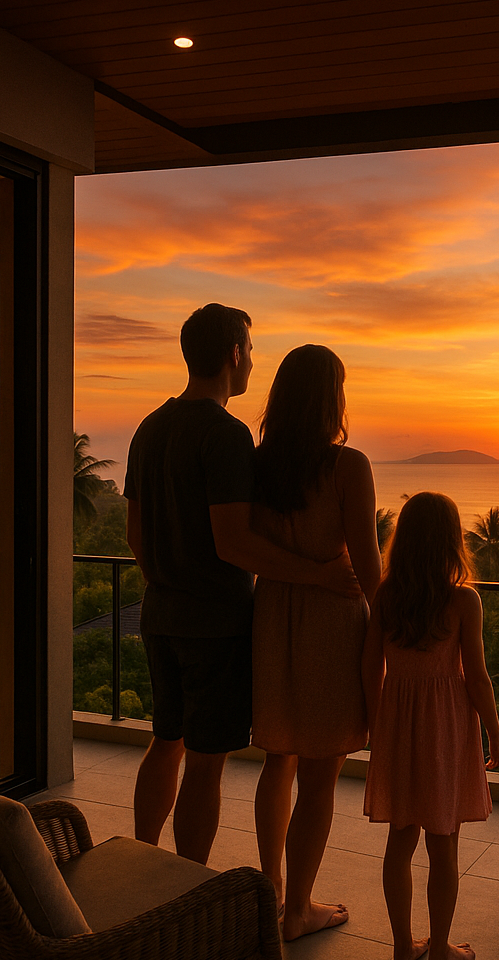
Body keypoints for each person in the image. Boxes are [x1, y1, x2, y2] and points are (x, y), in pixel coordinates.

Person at [125, 305, 359, 866]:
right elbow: (234, 543)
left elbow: (135, 534)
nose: (252, 360)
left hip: (160, 612)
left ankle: (140, 860)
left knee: (166, 740)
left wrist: (170, 575)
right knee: (205, 761)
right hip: (214, 623)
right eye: (250, 349)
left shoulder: (150, 428)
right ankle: (184, 883)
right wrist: (319, 573)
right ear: (233, 353)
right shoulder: (225, 436)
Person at [250, 344, 381, 941]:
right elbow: (368, 565)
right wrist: (397, 635)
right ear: (334, 397)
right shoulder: (347, 466)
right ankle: (298, 907)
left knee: (279, 756)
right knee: (321, 774)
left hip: (275, 613)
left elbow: (248, 544)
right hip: (331, 618)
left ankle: (272, 887)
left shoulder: (259, 463)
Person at [363, 492, 499, 960]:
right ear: (452, 540)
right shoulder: (463, 599)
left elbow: (369, 665)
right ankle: (440, 950)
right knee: (443, 843)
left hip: (397, 720)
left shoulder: (386, 594)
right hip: (446, 725)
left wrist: (375, 722)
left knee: (399, 843)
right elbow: (477, 677)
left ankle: (403, 948)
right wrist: (495, 733)